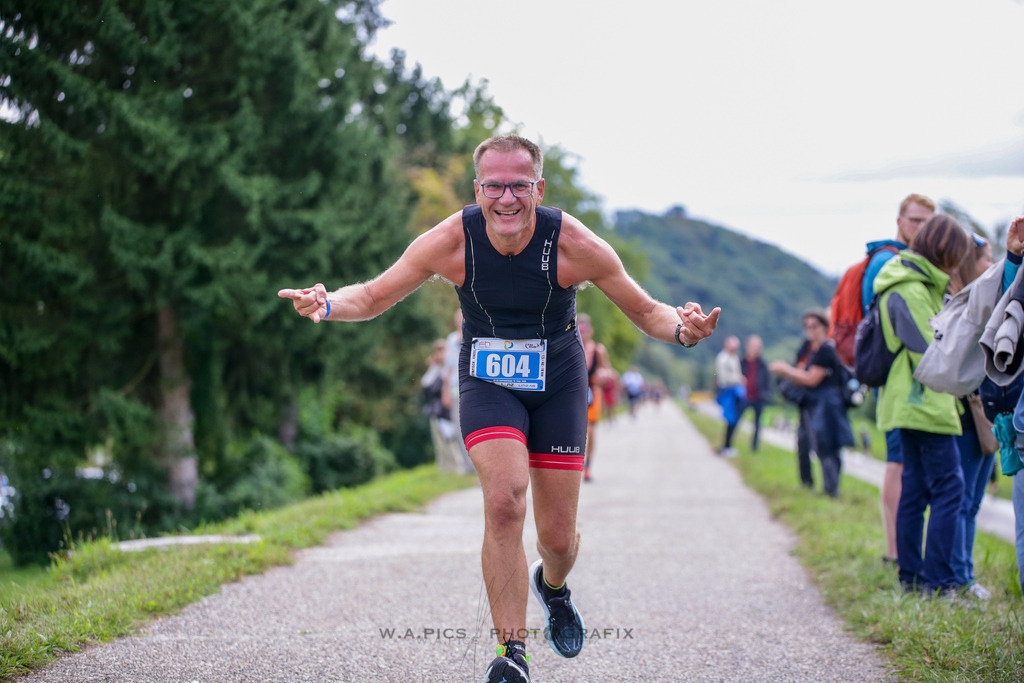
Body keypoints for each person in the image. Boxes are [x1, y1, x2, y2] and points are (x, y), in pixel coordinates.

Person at [278, 134, 720, 683]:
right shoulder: (450, 241)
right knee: (505, 500)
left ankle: (553, 586)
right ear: (477, 188)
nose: (506, 199)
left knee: (557, 540)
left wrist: (683, 330)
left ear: (538, 188)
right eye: (494, 185)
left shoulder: (574, 244)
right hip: (489, 381)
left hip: (559, 381)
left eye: (518, 185)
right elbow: (371, 296)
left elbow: (645, 309)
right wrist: (326, 303)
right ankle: (513, 655)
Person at [874, 214, 970, 596]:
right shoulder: (912, 288)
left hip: (908, 400)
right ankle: (939, 580)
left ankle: (912, 577)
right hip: (922, 400)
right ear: (947, 252)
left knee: (915, 488)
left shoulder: (909, 280)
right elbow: (929, 354)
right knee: (950, 488)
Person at [864, 194, 936, 564]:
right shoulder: (887, 263)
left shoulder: (913, 263)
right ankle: (894, 551)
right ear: (899, 221)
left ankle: (903, 549)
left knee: (907, 464)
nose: (922, 228)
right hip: (896, 379)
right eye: (915, 220)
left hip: (912, 380)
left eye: (929, 222)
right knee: (897, 462)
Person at [769, 308, 854, 497]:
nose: (810, 329)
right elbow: (801, 371)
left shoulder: (826, 349)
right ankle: (813, 485)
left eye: (814, 326)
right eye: (807, 326)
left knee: (827, 446)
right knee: (809, 443)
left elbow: (811, 379)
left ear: (824, 327)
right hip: (813, 402)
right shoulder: (808, 348)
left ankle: (831, 489)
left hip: (828, 404)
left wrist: (786, 371)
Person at [421, 339, 462, 472]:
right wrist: (434, 365)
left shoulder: (451, 366)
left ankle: (458, 467)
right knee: (440, 441)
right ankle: (445, 468)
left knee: (453, 439)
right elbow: (425, 383)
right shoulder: (435, 369)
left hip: (450, 407)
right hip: (437, 410)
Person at [442, 309, 474, 474]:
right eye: (458, 319)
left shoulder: (476, 336)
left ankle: (477, 463)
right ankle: (467, 465)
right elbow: (447, 369)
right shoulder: (451, 340)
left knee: (473, 426)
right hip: (456, 389)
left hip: (473, 388)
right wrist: (445, 392)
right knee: (458, 427)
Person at [579, 314, 610, 482]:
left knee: (590, 431)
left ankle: (588, 466)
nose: (582, 333)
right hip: (572, 393)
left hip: (592, 392)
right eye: (579, 329)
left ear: (590, 331)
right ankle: (572, 466)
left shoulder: (598, 350)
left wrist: (603, 375)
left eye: (584, 329)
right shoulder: (570, 347)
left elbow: (607, 370)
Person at [738, 334, 772, 452]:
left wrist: (765, 394)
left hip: (758, 397)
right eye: (754, 346)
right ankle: (729, 444)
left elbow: (767, 380)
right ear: (748, 346)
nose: (756, 349)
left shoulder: (762, 364)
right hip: (744, 396)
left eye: (758, 346)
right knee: (736, 419)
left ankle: (754, 448)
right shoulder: (741, 362)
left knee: (757, 425)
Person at [714, 335, 745, 456]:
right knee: (731, 419)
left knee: (734, 420)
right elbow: (724, 378)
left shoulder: (734, 357)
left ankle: (728, 445)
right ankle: (726, 446)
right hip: (729, 391)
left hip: (736, 390)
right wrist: (740, 379)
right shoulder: (723, 358)